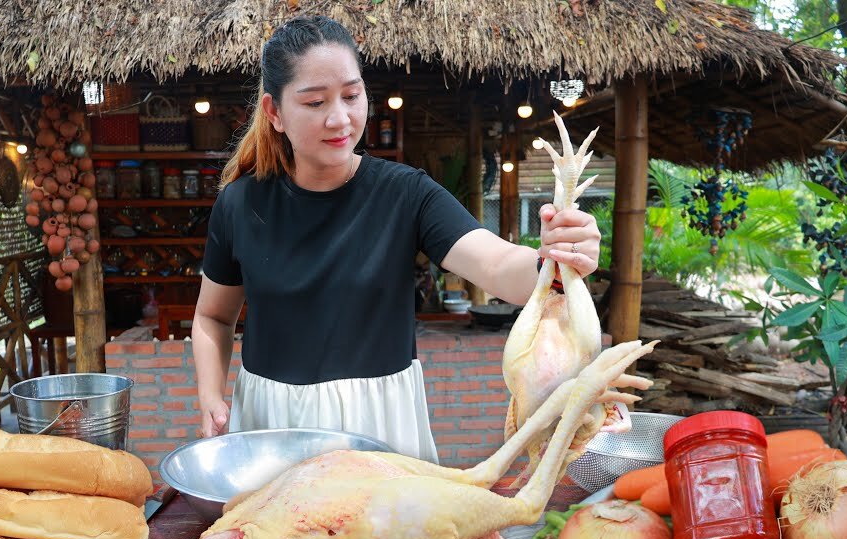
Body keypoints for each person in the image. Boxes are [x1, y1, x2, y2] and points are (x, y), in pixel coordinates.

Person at [193, 15, 601, 462]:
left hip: (382, 424)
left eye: (351, 96)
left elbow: (499, 268)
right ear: (274, 113)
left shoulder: (405, 193)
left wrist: (555, 257)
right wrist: (210, 394)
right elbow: (212, 319)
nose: (340, 118)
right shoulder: (240, 204)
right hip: (272, 427)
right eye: (314, 103)